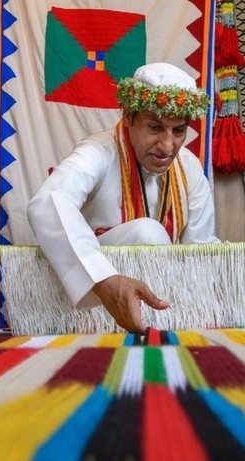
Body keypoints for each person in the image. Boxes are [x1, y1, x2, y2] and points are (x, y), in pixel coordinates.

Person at [26, 62, 219, 333]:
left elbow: (199, 253)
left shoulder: (188, 167)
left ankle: (164, 329)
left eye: (178, 131)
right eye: (155, 127)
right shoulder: (99, 151)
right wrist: (104, 281)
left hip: (167, 305)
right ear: (128, 116)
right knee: (147, 233)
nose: (167, 146)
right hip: (91, 310)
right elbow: (47, 203)